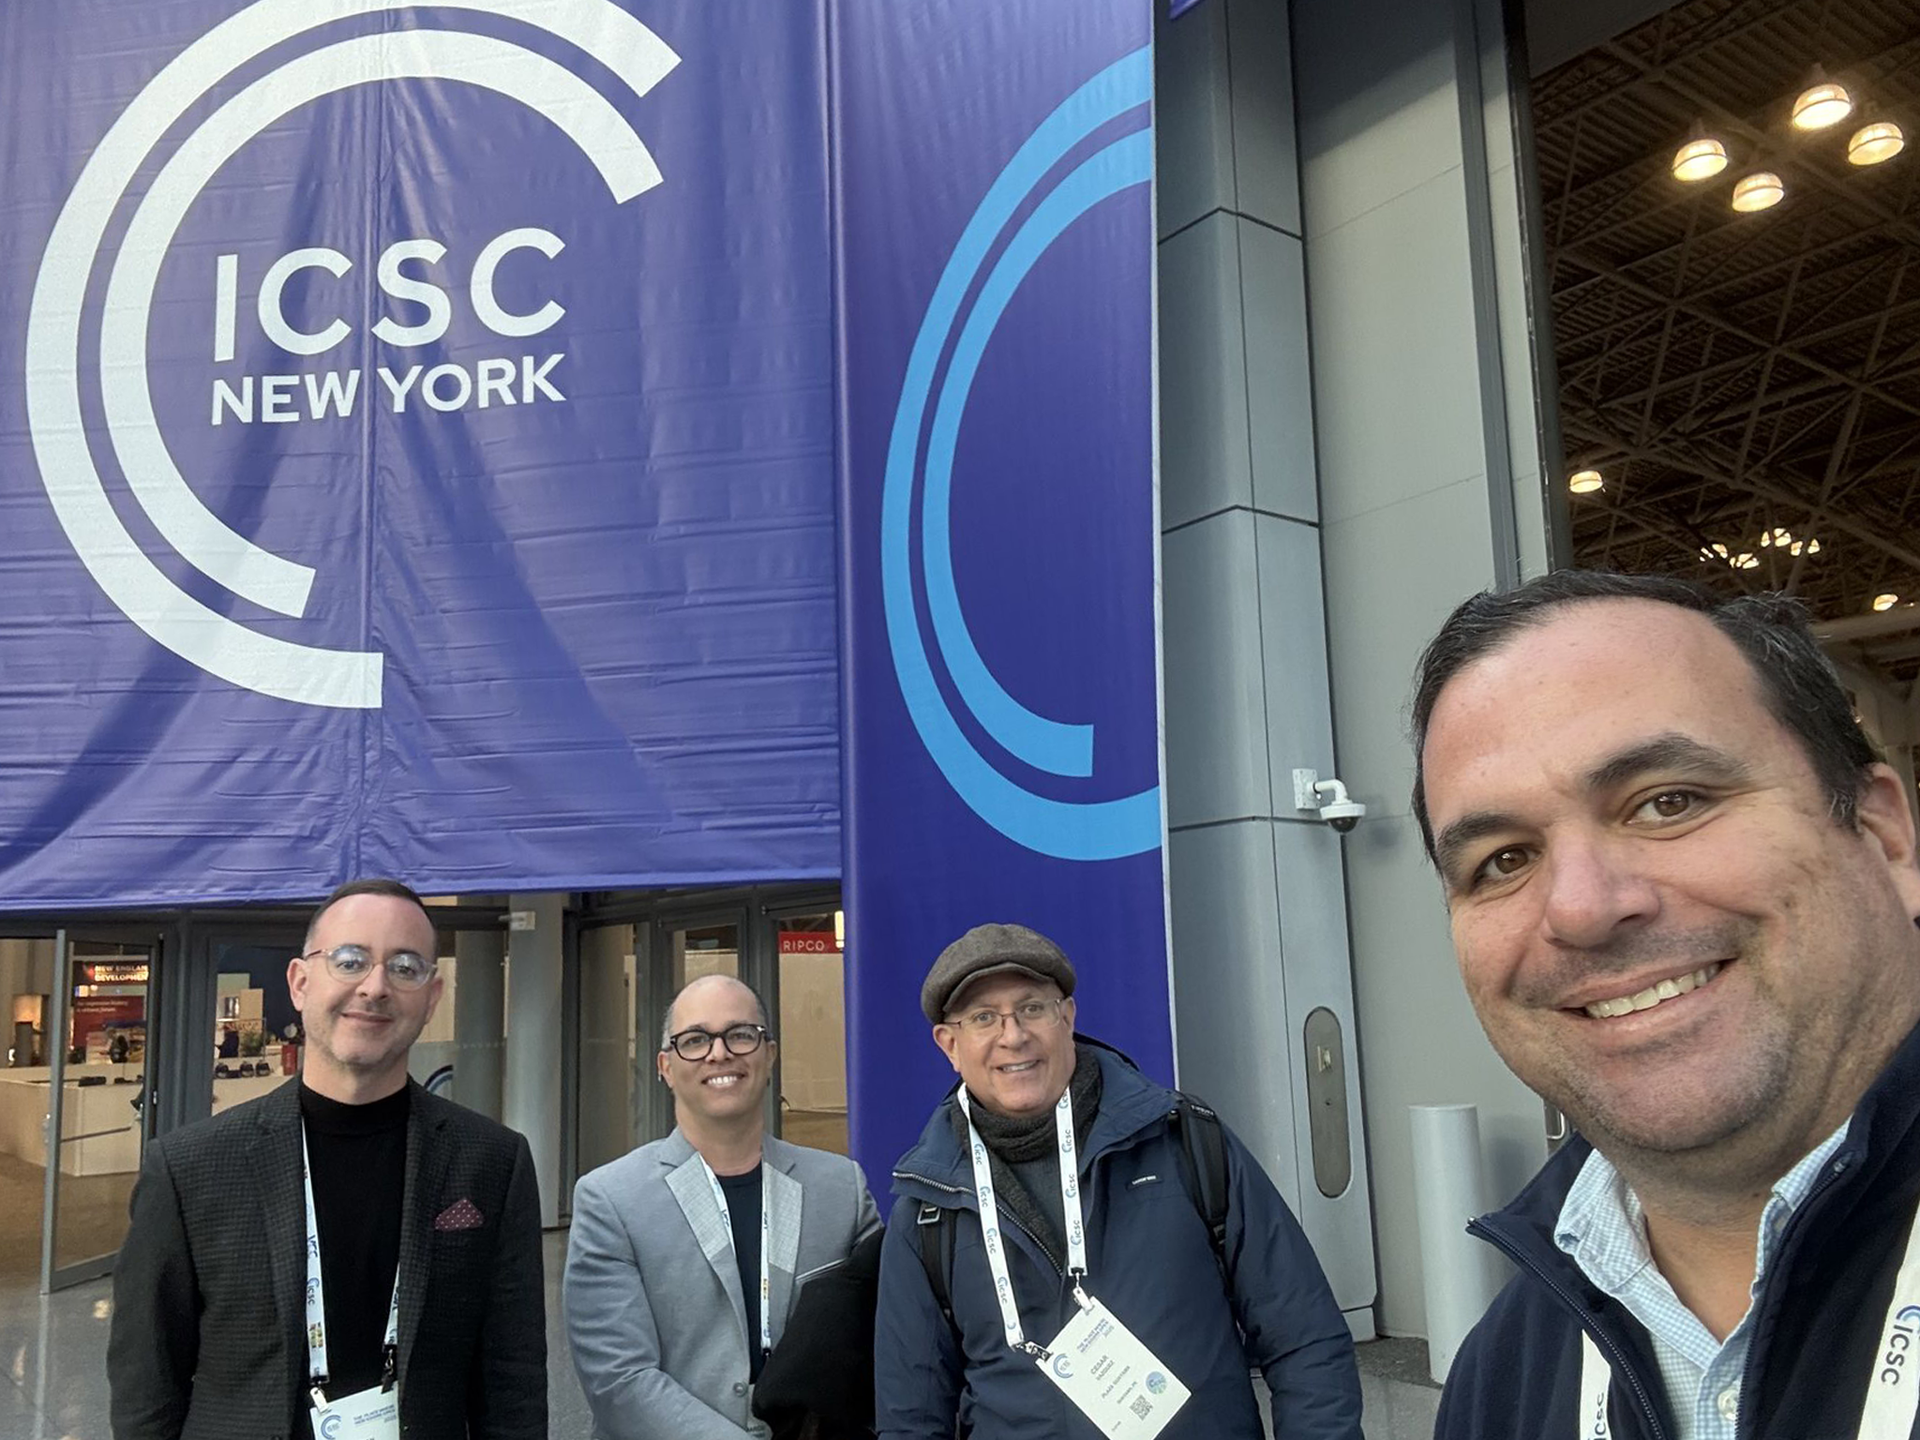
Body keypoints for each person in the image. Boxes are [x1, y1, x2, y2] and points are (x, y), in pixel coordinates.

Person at [1412, 571, 1920, 1440]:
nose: (1580, 908)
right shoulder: (1506, 1373)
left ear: (1883, 836)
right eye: (1502, 859)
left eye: (1667, 802)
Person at [874, 922, 1362, 1440]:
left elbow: (1304, 1336)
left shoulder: (1186, 1142)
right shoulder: (928, 1206)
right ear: (949, 1044)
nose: (1012, 1035)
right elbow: (911, 1417)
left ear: (1067, 1015)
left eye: (1032, 1008)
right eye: (984, 1018)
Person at [108, 878, 547, 1440]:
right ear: (300, 981)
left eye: (405, 967)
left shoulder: (492, 1161)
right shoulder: (189, 1168)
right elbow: (146, 1384)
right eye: (349, 960)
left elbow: (514, 1380)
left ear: (432, 997)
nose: (375, 987)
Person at [565, 973, 881, 1440]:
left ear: (769, 1054)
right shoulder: (610, 1200)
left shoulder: (841, 1188)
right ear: (666, 1067)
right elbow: (620, 1381)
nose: (720, 1053)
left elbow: (882, 1340)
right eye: (695, 1039)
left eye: (740, 1034)